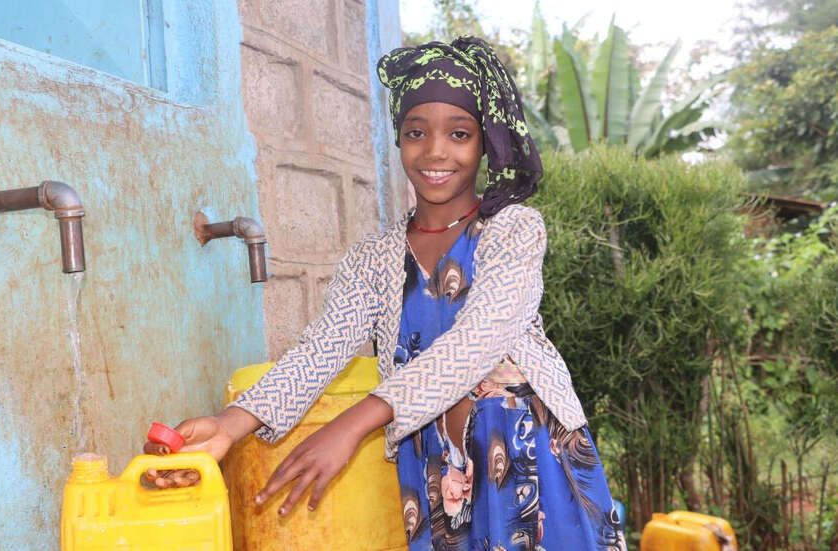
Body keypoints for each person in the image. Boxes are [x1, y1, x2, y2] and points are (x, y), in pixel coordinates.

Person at [144, 37, 627, 551]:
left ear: (483, 142)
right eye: (416, 132)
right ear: (398, 140)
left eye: (458, 134)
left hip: (530, 463)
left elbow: (479, 341)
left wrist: (352, 425)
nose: (436, 151)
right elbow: (321, 349)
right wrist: (228, 423)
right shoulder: (374, 259)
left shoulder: (513, 231)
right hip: (442, 478)